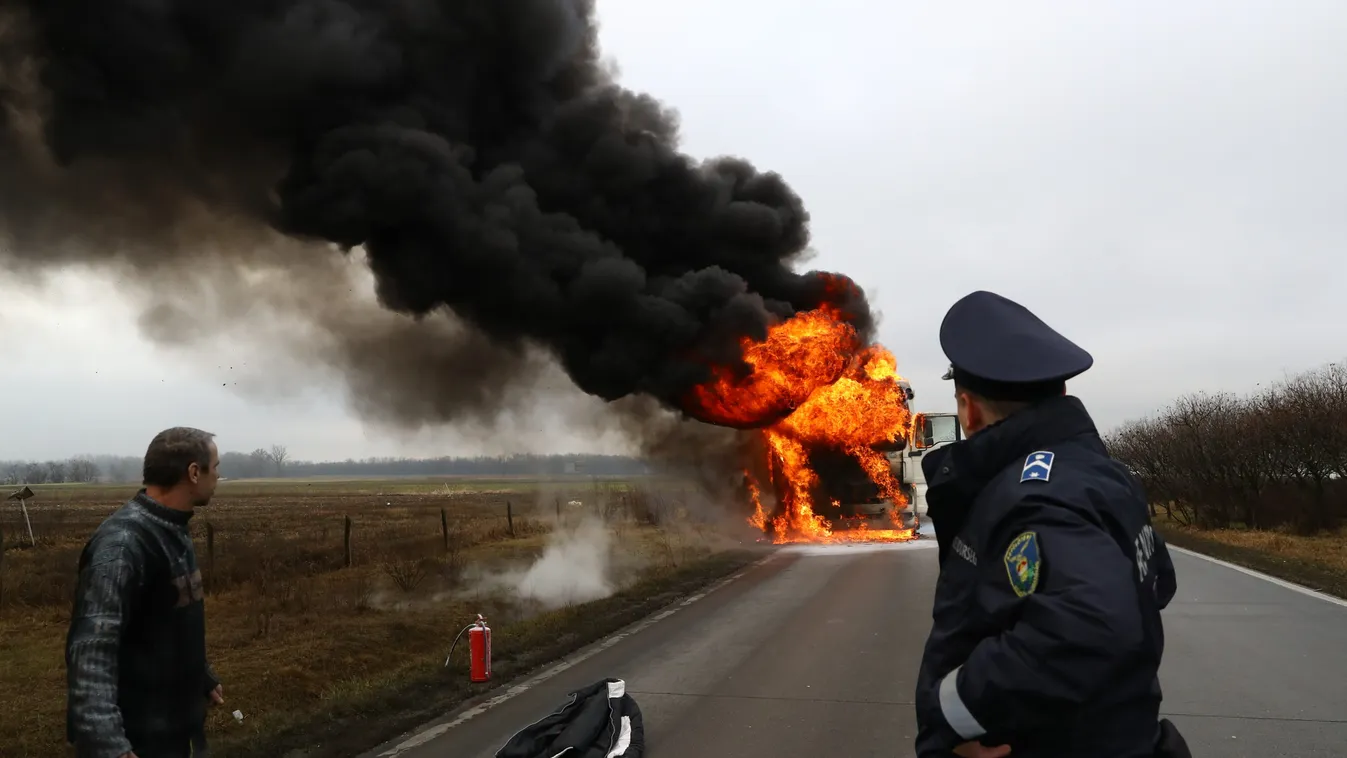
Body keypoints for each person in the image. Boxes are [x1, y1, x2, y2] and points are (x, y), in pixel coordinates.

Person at [913, 291, 1191, 758]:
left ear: (968, 409)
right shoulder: (1103, 474)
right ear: (1061, 393)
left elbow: (1094, 621)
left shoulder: (1034, 495)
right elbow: (1157, 582)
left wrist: (953, 715)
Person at [66, 427, 225, 758]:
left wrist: (201, 674)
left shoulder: (172, 528)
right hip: (141, 737)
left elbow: (168, 617)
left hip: (174, 727)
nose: (219, 476)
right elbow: (92, 653)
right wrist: (109, 745)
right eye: (217, 467)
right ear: (194, 472)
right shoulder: (123, 545)